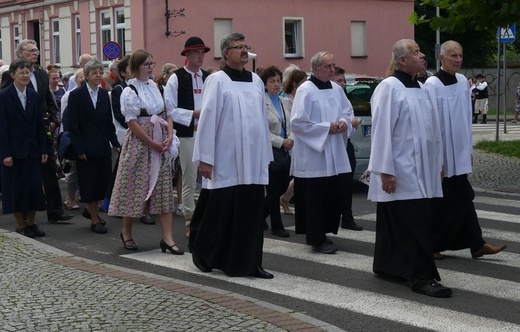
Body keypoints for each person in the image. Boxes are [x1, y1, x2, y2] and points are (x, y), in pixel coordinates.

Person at [368, 39, 451, 298]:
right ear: (402, 60)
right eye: (416, 52)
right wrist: (386, 170)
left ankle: (387, 265)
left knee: (395, 222)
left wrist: (437, 163)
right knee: (417, 224)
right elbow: (381, 131)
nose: (422, 55)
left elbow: (431, 130)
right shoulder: (388, 87)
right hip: (402, 170)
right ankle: (422, 277)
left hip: (422, 169)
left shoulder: (421, 87)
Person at [189, 32, 273, 279]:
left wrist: (264, 154)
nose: (244, 51)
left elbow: (260, 120)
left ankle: (251, 262)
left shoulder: (256, 81)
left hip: (253, 160)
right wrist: (206, 158)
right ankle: (203, 252)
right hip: (227, 157)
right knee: (221, 210)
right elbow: (208, 120)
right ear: (226, 53)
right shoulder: (217, 80)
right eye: (239, 47)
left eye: (246, 46)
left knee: (252, 212)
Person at [424, 40, 506, 260]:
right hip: (442, 156)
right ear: (441, 58)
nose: (458, 60)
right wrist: (437, 160)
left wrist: (467, 149)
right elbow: (431, 124)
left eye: (460, 55)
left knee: (464, 197)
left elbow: (464, 119)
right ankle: (432, 244)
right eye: (453, 56)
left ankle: (476, 244)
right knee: (440, 201)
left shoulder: (462, 82)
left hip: (458, 153)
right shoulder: (431, 85)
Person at [108, 49, 182, 253]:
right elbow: (131, 122)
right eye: (146, 64)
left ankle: (167, 238)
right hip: (140, 144)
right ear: (136, 67)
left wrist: (168, 135)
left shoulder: (157, 87)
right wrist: (152, 142)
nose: (151, 67)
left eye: (152, 63)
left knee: (164, 191)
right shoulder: (130, 91)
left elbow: (167, 113)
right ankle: (127, 232)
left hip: (160, 141)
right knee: (133, 188)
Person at [1, 39, 73, 223]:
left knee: (49, 168)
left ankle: (55, 210)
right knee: (23, 177)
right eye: (31, 51)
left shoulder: (41, 73)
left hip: (41, 129)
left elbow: (49, 98)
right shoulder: (12, 75)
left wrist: (55, 120)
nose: (35, 53)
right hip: (18, 133)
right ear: (20, 53)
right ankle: (22, 216)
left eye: (36, 50)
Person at [290, 52, 353, 255]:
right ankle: (316, 238)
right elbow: (298, 123)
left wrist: (344, 123)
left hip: (333, 151)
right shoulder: (305, 91)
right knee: (315, 198)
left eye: (333, 66)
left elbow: (348, 112)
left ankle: (325, 233)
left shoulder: (336, 89)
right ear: (316, 68)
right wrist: (327, 127)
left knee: (331, 195)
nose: (332, 70)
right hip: (313, 156)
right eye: (328, 66)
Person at [67, 60, 121, 234]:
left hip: (102, 145)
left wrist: (115, 142)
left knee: (102, 182)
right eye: (94, 72)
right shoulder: (77, 95)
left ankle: (90, 211)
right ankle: (94, 220)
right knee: (89, 184)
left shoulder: (105, 94)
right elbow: (72, 125)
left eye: (100, 71)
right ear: (87, 75)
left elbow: (107, 122)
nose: (98, 75)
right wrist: (79, 149)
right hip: (86, 147)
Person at [164, 36, 210, 238]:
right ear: (188, 54)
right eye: (197, 52)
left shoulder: (208, 77)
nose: (200, 56)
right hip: (187, 134)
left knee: (211, 177)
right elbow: (170, 110)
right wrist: (193, 114)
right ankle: (190, 221)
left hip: (207, 132)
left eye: (202, 52)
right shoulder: (176, 77)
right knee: (190, 177)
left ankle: (208, 217)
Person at [0, 59, 48, 238]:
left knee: (34, 188)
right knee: (16, 189)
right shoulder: (4, 96)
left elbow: (39, 125)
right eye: (21, 72)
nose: (25, 75)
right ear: (13, 75)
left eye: (27, 72)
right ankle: (21, 224)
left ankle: (33, 222)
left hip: (32, 150)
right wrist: (6, 153)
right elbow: (2, 128)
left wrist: (43, 149)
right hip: (13, 151)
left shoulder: (33, 95)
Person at [260, 65, 292, 237]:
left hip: (285, 150)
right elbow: (263, 130)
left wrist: (290, 139)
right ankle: (277, 226)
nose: (276, 84)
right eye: (272, 81)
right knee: (273, 190)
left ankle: (258, 216)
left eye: (278, 80)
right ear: (265, 84)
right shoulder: (262, 102)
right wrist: (281, 142)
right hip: (270, 150)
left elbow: (290, 124)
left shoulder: (282, 101)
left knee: (282, 186)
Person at [332, 66, 363, 231]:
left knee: (347, 183)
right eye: (339, 80)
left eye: (344, 80)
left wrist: (351, 122)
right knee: (335, 184)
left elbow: (351, 119)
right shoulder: (331, 96)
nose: (343, 83)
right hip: (334, 144)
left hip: (347, 143)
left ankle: (347, 217)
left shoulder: (344, 97)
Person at [154, 62, 183, 217]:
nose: (174, 76)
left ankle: (179, 203)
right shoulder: (159, 90)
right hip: (162, 132)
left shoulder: (177, 90)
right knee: (163, 171)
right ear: (165, 75)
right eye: (172, 72)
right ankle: (158, 203)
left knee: (179, 170)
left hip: (177, 131)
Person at [279, 69, 307, 215]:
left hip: (304, 139)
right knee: (298, 173)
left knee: (301, 174)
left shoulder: (304, 98)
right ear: (295, 84)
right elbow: (289, 123)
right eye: (303, 82)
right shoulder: (287, 101)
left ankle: (285, 197)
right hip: (293, 139)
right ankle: (284, 197)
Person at [60, 69, 85, 210]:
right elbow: (66, 119)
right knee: (74, 170)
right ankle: (70, 198)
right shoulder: (70, 95)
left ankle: (87, 196)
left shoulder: (99, 94)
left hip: (89, 137)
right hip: (75, 136)